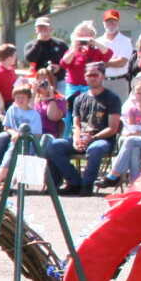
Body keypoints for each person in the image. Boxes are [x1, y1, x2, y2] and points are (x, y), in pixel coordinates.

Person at [44, 63, 122, 194]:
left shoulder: (112, 98)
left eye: (95, 75)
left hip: (102, 139)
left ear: (103, 76)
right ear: (85, 77)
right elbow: (76, 124)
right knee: (54, 146)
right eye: (89, 75)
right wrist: (76, 139)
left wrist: (92, 138)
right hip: (81, 138)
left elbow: (112, 128)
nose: (92, 78)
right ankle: (74, 183)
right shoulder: (79, 98)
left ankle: (87, 186)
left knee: (95, 148)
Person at [99, 73, 141, 188]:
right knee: (134, 149)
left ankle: (114, 174)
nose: (139, 96)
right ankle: (135, 185)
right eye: (137, 93)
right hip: (138, 143)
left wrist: (140, 134)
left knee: (131, 141)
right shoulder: (132, 110)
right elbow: (131, 132)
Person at [0, 81, 43, 187]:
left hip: (29, 143)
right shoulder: (12, 110)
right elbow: (7, 127)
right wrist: (14, 133)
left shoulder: (34, 114)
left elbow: (37, 134)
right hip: (15, 141)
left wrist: (22, 136)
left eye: (23, 97)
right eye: (17, 98)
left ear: (28, 99)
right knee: (9, 157)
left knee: (20, 158)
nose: (20, 100)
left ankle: (9, 184)